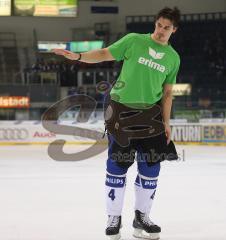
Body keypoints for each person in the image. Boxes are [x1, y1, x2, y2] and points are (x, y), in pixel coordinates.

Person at [53, 6, 181, 240]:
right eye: (159, 25)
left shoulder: (173, 58)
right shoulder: (134, 41)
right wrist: (79, 56)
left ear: (175, 29)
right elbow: (104, 54)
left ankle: (142, 217)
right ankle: (114, 218)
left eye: (167, 27)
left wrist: (166, 122)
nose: (161, 31)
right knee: (117, 165)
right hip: (122, 111)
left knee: (151, 168)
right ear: (155, 24)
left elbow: (168, 93)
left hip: (150, 116)